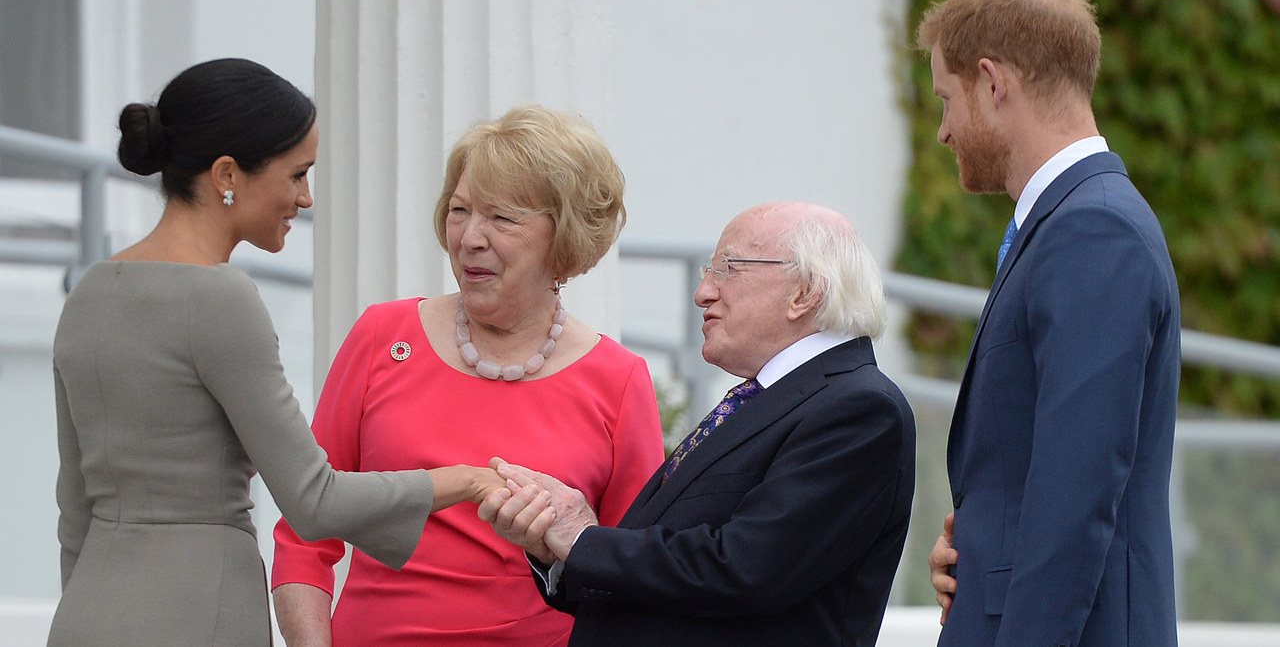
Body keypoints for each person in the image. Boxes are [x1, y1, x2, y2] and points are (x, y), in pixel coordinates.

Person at [48, 58, 504, 647]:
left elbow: (74, 510)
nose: (306, 198)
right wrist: (467, 480)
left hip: (87, 612)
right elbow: (313, 499)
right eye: (297, 175)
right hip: (197, 610)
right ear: (226, 174)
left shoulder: (89, 291)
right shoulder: (219, 298)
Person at [270, 104, 665, 646]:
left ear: (566, 237)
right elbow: (304, 533)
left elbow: (633, 575)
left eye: (502, 218)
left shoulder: (618, 379)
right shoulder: (383, 334)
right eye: (460, 211)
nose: (469, 237)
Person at [480, 202, 916, 647]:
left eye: (727, 269)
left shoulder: (858, 408)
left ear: (804, 292)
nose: (703, 291)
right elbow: (674, 564)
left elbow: (747, 569)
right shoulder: (768, 397)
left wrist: (583, 539)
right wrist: (555, 543)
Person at [917, 0, 1182, 644]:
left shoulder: (1093, 231)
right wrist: (981, 550)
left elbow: (1076, 501)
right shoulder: (1074, 224)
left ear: (993, 81)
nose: (945, 130)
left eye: (947, 99)